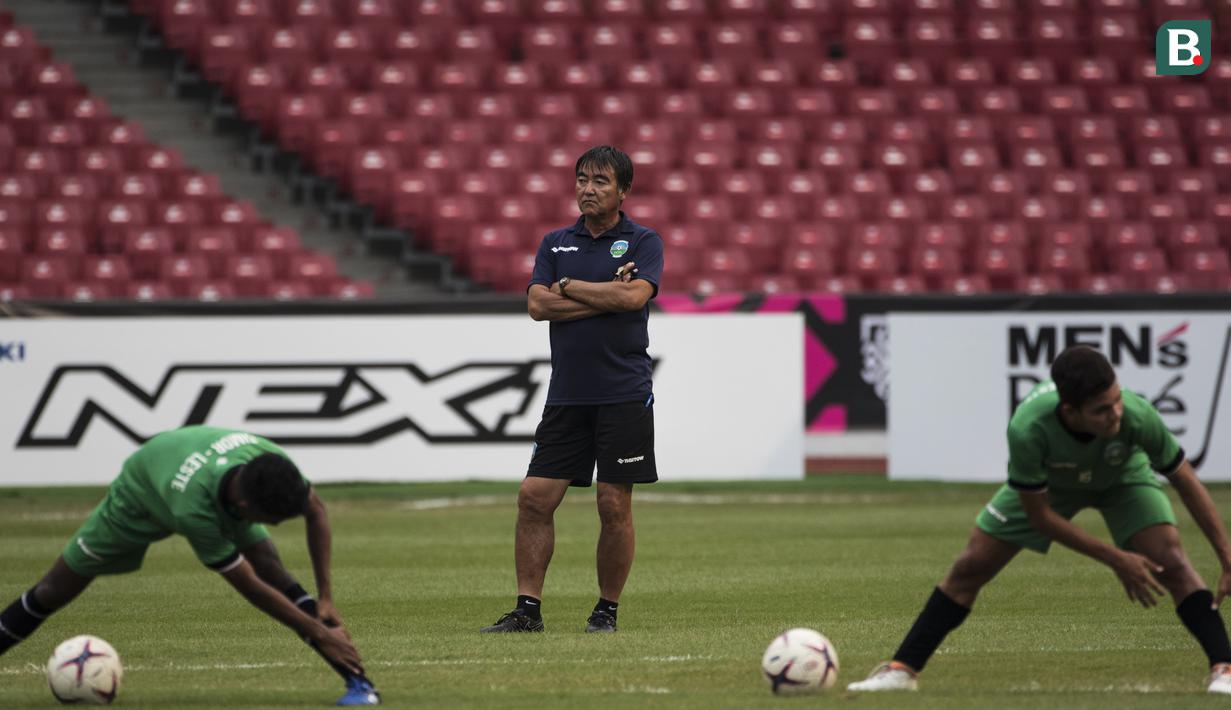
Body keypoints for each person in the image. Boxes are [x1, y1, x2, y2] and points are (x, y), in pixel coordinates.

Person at [848, 345, 1231, 694]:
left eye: (1116, 401)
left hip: (1122, 477)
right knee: (970, 567)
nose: (1115, 413)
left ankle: (1225, 669)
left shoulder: (1136, 414)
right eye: (1101, 409)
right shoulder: (1028, 428)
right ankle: (901, 671)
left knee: (1172, 561)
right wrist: (1116, 558)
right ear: (1070, 411)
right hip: (1053, 487)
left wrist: (1227, 558)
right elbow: (1040, 517)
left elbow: (1185, 479)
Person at [0, 426, 380, 706]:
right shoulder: (194, 511)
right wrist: (317, 628)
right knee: (55, 589)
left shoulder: (272, 466)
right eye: (274, 519)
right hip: (141, 496)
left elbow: (316, 510)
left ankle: (359, 686)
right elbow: (249, 587)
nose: (278, 526)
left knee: (275, 569)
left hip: (211, 483)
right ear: (247, 509)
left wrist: (326, 598)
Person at [481, 145, 664, 634]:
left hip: (623, 392)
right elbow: (538, 307)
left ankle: (606, 611)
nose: (587, 188)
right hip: (567, 395)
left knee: (613, 503)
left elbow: (634, 296)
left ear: (623, 191)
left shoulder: (644, 240)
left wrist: (568, 287)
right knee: (534, 498)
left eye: (600, 181)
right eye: (582, 179)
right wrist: (601, 294)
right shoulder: (555, 241)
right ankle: (527, 611)